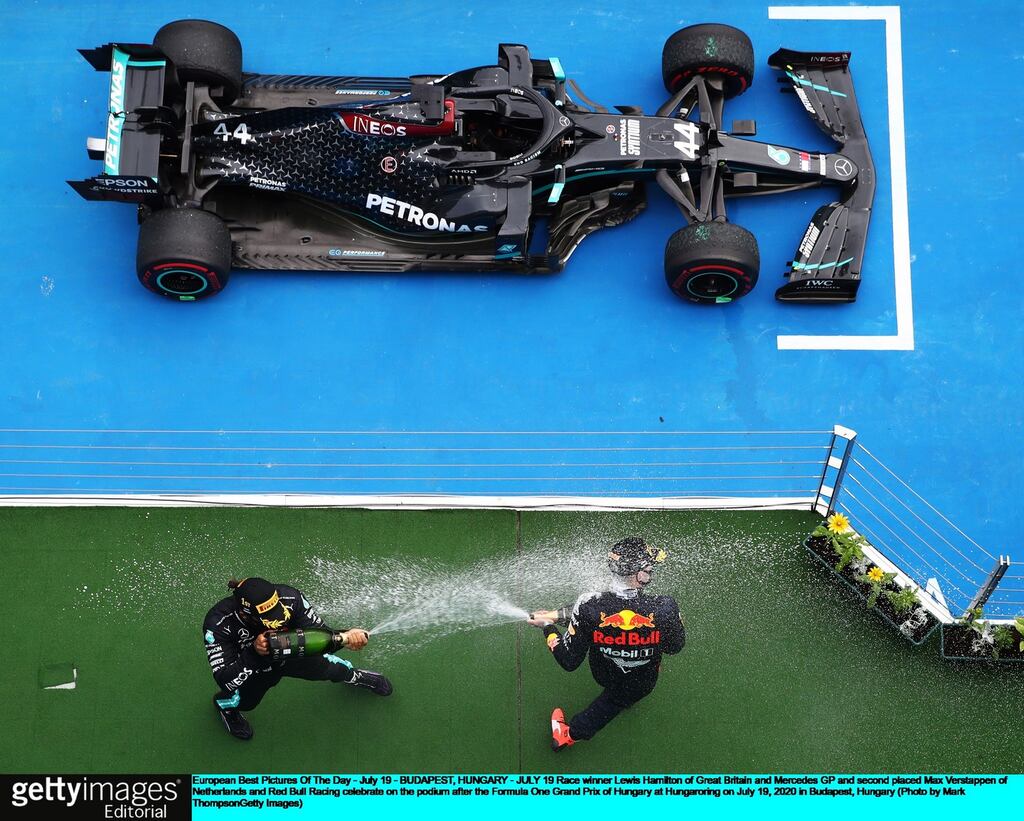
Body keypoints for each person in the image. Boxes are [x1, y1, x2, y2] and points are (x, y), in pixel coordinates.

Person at [527, 537, 685, 750]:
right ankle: (567, 735)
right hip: (643, 682)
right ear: (640, 576)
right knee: (613, 703)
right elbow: (674, 647)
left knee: (614, 696)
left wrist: (548, 625)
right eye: (649, 567)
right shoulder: (665, 608)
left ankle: (572, 731)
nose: (651, 570)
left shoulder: (588, 604)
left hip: (604, 673)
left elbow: (569, 660)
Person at [203, 577, 392, 740]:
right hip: (255, 668)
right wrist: (254, 653)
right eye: (269, 618)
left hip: (294, 654)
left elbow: (322, 636)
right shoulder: (218, 623)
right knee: (245, 702)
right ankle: (225, 707)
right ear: (246, 614)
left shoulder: (291, 598)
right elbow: (226, 681)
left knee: (335, 669)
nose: (279, 622)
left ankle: (352, 676)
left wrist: (346, 637)